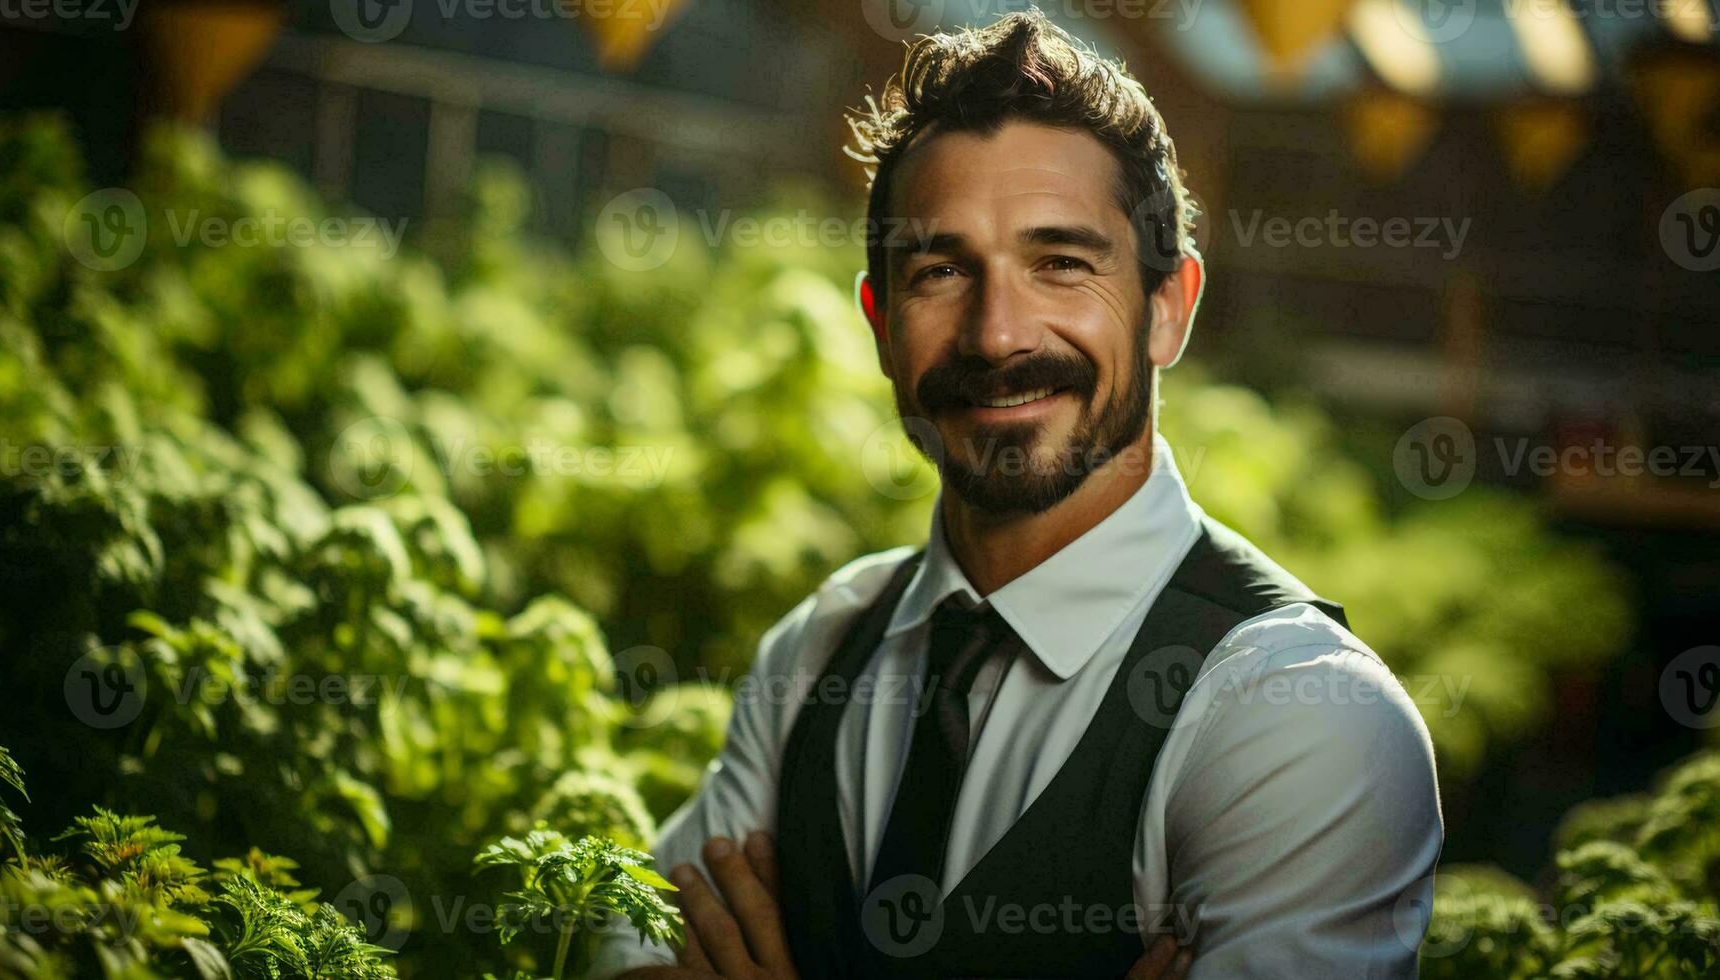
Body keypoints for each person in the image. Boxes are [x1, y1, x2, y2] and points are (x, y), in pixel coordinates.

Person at [595, 9, 1442, 978]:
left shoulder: (1302, 716)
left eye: (1061, 264)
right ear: (880, 322)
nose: (997, 334)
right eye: (941, 270)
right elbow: (620, 944)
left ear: (1170, 306)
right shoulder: (819, 645)